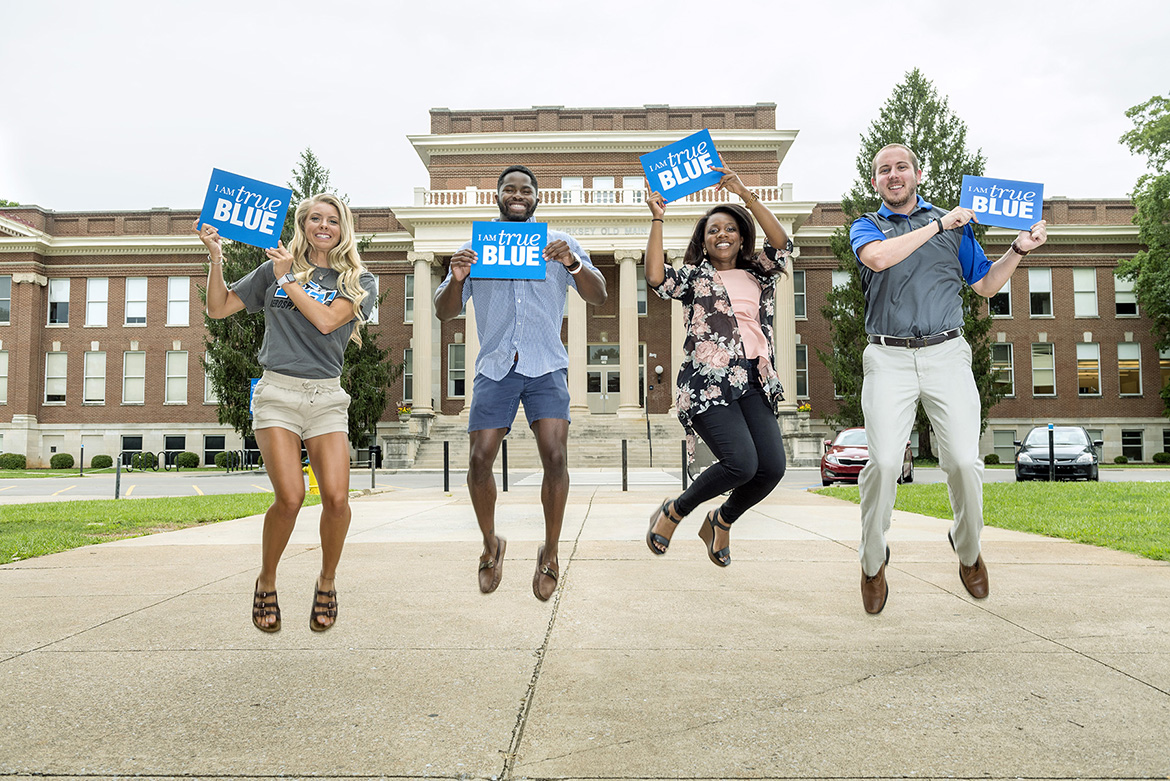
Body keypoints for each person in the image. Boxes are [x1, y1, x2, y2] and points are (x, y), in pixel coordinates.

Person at [850, 143, 1048, 614]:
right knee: (881, 464)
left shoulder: (955, 225)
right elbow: (878, 260)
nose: (893, 175)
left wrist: (1018, 250)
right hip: (888, 357)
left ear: (918, 174)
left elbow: (984, 285)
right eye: (884, 171)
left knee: (963, 461)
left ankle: (968, 551)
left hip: (946, 354)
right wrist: (937, 225)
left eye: (901, 168)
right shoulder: (869, 226)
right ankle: (873, 561)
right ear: (874, 181)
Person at [196, 193, 377, 632]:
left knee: (336, 499)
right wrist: (217, 258)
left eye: (332, 220)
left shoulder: (359, 280)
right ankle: (267, 579)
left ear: (342, 228)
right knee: (291, 497)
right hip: (277, 392)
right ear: (302, 224)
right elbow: (218, 308)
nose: (323, 225)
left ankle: (327, 581)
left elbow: (328, 321)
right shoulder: (276, 268)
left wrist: (289, 280)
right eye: (314, 218)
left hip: (326, 397)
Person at [434, 165, 607, 601]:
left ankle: (550, 551)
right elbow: (443, 311)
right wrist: (455, 279)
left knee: (555, 457)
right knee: (479, 459)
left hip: (546, 364)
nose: (517, 194)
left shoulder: (559, 245)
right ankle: (491, 543)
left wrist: (572, 262)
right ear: (497, 196)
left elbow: (599, 294)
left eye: (525, 189)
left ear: (536, 198)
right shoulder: (474, 248)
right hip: (496, 365)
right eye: (509, 189)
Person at [644, 167, 792, 567]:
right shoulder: (695, 277)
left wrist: (744, 192)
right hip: (708, 383)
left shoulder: (759, 272)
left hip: (755, 381)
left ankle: (721, 520)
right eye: (713, 230)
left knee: (772, 467)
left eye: (729, 228)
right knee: (741, 463)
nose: (721, 234)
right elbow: (656, 277)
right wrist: (657, 217)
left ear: (741, 236)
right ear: (703, 241)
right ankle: (675, 511)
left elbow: (782, 243)